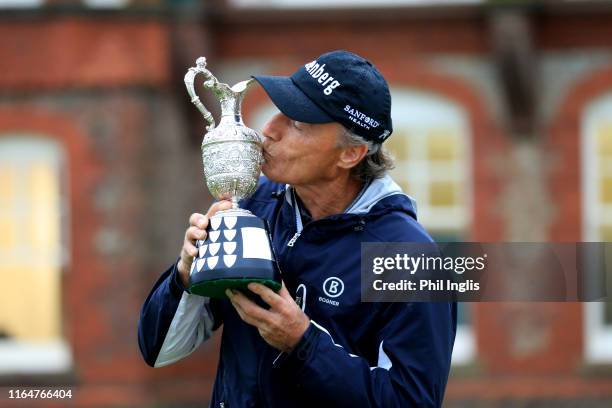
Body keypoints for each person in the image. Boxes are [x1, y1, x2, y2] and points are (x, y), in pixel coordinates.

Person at [138, 50, 457, 407]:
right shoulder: (253, 205)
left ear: (349, 154)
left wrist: (303, 343)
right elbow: (158, 349)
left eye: (298, 123)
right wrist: (185, 275)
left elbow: (410, 401)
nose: (269, 131)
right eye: (279, 111)